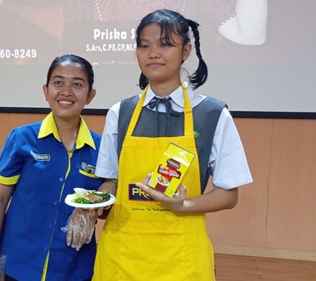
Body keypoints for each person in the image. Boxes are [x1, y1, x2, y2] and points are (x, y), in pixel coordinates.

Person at [91, 9, 253, 280]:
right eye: (144, 45)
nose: (153, 53)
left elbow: (229, 194)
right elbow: (110, 181)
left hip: (182, 259)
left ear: (186, 50)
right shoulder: (121, 113)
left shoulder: (212, 115)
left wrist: (184, 205)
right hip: (122, 257)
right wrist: (96, 205)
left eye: (165, 44)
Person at [0, 54, 103, 281]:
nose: (66, 91)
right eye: (58, 82)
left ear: (90, 95)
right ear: (46, 91)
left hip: (74, 269)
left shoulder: (101, 147)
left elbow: (108, 192)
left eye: (77, 84)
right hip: (18, 265)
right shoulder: (21, 138)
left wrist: (89, 211)